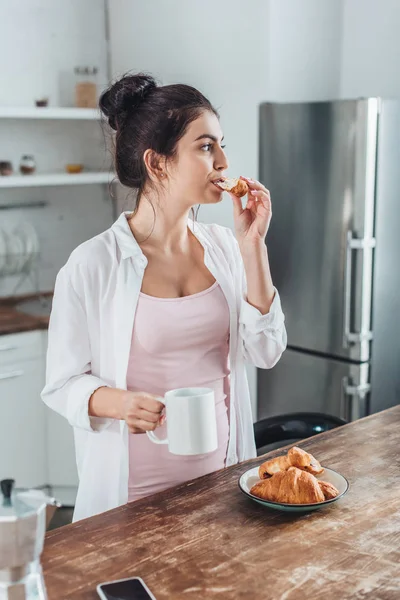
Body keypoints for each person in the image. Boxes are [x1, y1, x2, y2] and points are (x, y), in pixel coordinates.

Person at [41, 73, 287, 522]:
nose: (224, 161)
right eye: (206, 146)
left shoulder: (225, 248)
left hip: (222, 485)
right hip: (132, 498)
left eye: (221, 144)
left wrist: (254, 248)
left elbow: (266, 351)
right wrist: (119, 403)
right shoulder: (93, 264)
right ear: (158, 163)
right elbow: (61, 385)